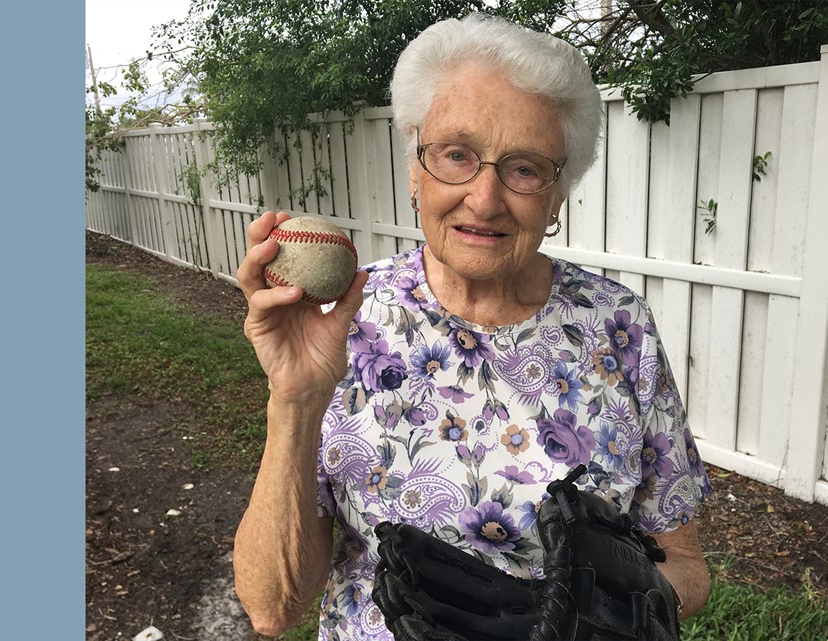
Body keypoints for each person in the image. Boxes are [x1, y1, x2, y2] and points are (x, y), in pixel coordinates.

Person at [232, 13, 712, 641]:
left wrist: (600, 609)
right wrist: (294, 400)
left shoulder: (618, 326)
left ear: (557, 194)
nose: (484, 199)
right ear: (415, 170)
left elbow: (687, 566)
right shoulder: (348, 319)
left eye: (524, 168)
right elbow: (273, 609)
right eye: (456, 155)